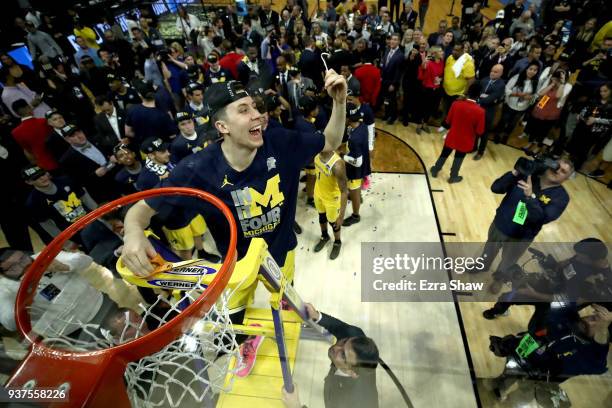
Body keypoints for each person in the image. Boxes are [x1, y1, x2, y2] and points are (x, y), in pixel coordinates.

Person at [121, 73, 346, 318]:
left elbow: (330, 141)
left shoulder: (281, 142)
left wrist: (340, 102)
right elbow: (139, 211)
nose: (257, 114)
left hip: (281, 253)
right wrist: (132, 233)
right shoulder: (197, 169)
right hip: (235, 262)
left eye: (254, 107)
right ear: (222, 127)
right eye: (243, 110)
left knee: (286, 308)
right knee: (233, 319)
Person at [481, 159, 573, 294]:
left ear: (567, 178)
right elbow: (496, 188)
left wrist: (530, 197)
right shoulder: (527, 174)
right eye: (557, 166)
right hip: (500, 224)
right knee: (489, 248)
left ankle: (498, 280)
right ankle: (482, 265)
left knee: (508, 261)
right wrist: (515, 172)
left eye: (563, 171)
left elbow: (543, 218)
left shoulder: (561, 197)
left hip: (521, 237)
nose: (557, 170)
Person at [281, 303, 380, 408]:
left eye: (343, 355)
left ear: (352, 373)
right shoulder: (355, 337)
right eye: (344, 342)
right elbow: (339, 327)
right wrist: (315, 315)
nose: (336, 347)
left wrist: (296, 406)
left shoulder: (349, 402)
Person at [23, 165, 97, 241]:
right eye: (36, 177)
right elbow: (47, 224)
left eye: (42, 174)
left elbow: (85, 197)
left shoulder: (66, 180)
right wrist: (65, 242)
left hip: (93, 220)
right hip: (75, 234)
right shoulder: (34, 202)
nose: (42, 178)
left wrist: (101, 215)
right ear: (29, 182)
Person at [430, 82, 485, 183]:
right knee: (459, 158)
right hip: (466, 140)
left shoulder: (456, 104)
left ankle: (435, 169)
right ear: (479, 94)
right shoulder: (480, 111)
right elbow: (479, 131)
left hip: (452, 136)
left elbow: (448, 121)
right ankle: (453, 176)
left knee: (444, 154)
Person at [59, 124, 120, 203]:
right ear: (67, 139)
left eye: (79, 132)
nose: (79, 136)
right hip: (103, 191)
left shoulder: (97, 139)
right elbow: (76, 182)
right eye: (73, 135)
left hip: (119, 178)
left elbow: (112, 151)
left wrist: (115, 155)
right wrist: (94, 175)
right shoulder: (67, 159)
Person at [313, 144, 348, 260]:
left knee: (334, 223)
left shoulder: (337, 165)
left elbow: (344, 191)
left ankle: (337, 242)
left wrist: (341, 216)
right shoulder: (316, 153)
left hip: (332, 199)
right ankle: (324, 236)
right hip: (318, 192)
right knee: (321, 217)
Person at [494, 63, 539, 144]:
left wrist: (531, 97)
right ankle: (497, 134)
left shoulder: (536, 82)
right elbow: (506, 90)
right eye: (530, 69)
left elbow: (536, 95)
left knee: (512, 123)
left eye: (535, 70)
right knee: (504, 120)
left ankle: (505, 136)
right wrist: (518, 94)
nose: (532, 72)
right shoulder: (517, 77)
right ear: (526, 69)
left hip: (522, 107)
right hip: (510, 105)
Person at [10, 99, 58, 172]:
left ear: (16, 113)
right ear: (28, 108)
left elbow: (28, 150)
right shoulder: (44, 121)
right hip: (59, 158)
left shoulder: (15, 132)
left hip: (44, 165)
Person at [343, 108, 371, 227]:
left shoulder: (355, 139)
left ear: (349, 119)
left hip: (355, 170)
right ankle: (357, 195)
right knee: (356, 189)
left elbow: (357, 162)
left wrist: (343, 157)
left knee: (354, 190)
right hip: (364, 164)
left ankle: (355, 215)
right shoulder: (362, 125)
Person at [475, 64, 505, 160]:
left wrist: (481, 98)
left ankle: (480, 152)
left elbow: (491, 99)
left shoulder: (501, 85)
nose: (492, 73)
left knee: (484, 133)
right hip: (478, 109)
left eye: (495, 72)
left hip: (488, 111)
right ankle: (473, 147)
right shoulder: (485, 79)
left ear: (501, 73)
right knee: (475, 129)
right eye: (492, 71)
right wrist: (483, 96)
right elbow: (477, 92)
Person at [380, 33, 404, 124]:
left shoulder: (400, 55)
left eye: (395, 39)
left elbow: (399, 72)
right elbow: (383, 65)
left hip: (392, 83)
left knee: (392, 101)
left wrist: (393, 84)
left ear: (398, 41)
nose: (392, 41)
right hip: (384, 81)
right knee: (386, 99)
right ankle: (387, 114)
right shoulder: (387, 50)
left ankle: (393, 117)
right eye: (391, 39)